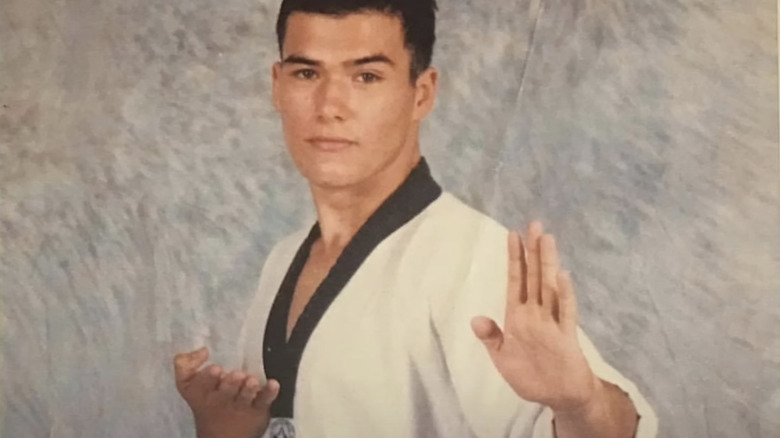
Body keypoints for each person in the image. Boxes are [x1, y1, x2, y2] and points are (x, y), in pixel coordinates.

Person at [173, 1, 658, 437]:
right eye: (307, 74)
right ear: (277, 86)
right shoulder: (283, 261)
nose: (329, 107)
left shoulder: (470, 258)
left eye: (366, 77)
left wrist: (581, 403)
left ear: (422, 93)